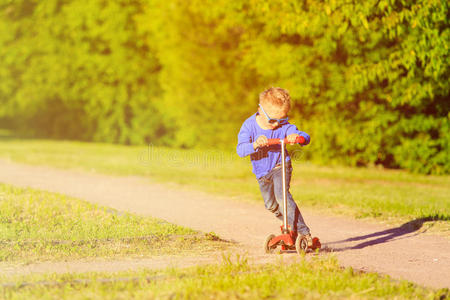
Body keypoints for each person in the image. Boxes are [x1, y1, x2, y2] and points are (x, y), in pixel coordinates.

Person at [236, 87, 313, 245]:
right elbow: (240, 150)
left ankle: (304, 233)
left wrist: (296, 137)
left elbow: (305, 136)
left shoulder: (283, 126)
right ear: (260, 109)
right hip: (262, 173)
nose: (277, 124)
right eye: (272, 120)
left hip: (280, 166)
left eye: (282, 119)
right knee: (271, 205)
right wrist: (255, 144)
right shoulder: (249, 126)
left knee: (282, 197)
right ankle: (289, 223)